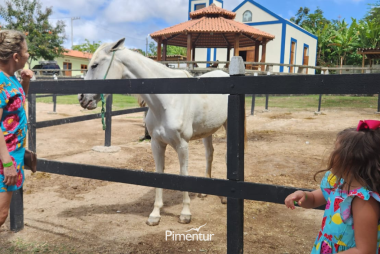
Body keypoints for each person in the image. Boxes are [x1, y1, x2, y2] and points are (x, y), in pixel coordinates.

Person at [285, 120, 380, 253]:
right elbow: (313, 199)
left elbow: (364, 251)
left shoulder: (363, 202)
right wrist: (302, 196)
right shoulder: (337, 183)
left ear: (349, 159)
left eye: (336, 149)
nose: (331, 153)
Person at [0, 30, 33, 228]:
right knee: (2, 213)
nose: (28, 55)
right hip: (5, 156)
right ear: (16, 56)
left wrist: (25, 83)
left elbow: (17, 105)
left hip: (14, 153)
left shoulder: (11, 78)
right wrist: (7, 163)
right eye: (26, 51)